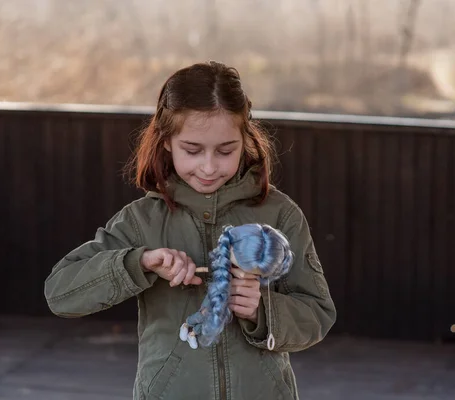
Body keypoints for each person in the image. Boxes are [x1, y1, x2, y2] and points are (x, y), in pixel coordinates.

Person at [44, 61, 336, 400]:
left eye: (226, 151)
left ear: (245, 139)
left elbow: (318, 313)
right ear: (167, 141)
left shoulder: (279, 214)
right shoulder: (141, 221)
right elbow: (60, 294)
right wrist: (139, 263)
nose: (209, 167)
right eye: (192, 150)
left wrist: (262, 310)